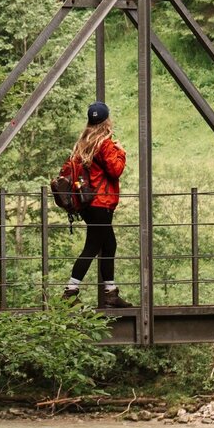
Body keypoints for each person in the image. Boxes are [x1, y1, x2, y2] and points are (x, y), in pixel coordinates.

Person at [62, 101, 134, 308]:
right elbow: (115, 170)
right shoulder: (104, 143)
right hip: (101, 203)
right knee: (92, 246)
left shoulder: (82, 143)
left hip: (87, 203)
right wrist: (121, 152)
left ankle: (110, 292)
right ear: (107, 121)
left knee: (109, 244)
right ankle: (70, 291)